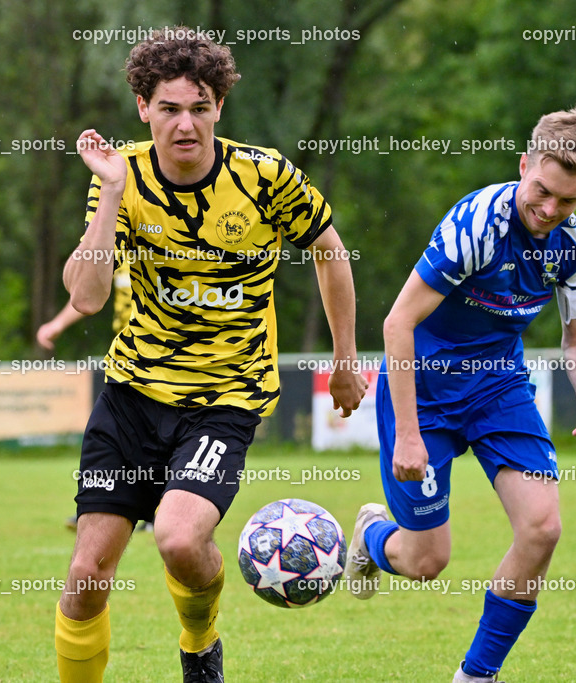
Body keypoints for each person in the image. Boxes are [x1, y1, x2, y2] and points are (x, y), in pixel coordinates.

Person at [54, 27, 366, 683]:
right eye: (169, 108)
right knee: (85, 575)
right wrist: (109, 191)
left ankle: (200, 643)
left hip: (223, 401)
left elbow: (331, 250)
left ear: (220, 106)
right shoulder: (123, 176)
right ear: (143, 107)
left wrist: (343, 357)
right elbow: (84, 296)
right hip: (132, 398)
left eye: (200, 106)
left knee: (178, 538)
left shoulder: (265, 175)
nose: (186, 123)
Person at [344, 107, 576, 682]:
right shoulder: (477, 227)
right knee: (426, 562)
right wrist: (410, 436)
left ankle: (477, 675)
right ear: (524, 165)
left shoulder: (572, 244)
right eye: (542, 191)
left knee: (543, 528)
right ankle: (370, 534)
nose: (550, 210)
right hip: (426, 391)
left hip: (498, 387)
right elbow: (397, 324)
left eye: (569, 200)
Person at [35, 264, 149, 533]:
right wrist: (58, 324)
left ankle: (153, 513)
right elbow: (88, 292)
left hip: (166, 363)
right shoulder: (120, 248)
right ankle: (99, 506)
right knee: (114, 435)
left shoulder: (166, 249)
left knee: (151, 436)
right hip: (128, 360)